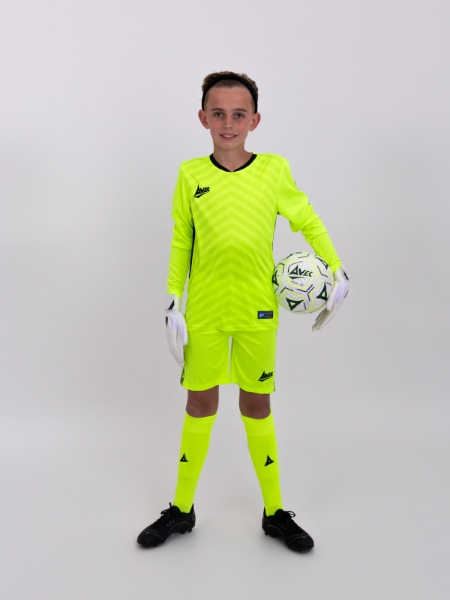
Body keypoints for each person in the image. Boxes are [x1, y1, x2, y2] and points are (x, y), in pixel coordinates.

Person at [137, 71, 349, 552]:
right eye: (218, 113)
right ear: (203, 118)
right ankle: (182, 509)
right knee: (200, 404)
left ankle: (275, 513)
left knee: (256, 405)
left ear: (254, 119)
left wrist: (337, 268)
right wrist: (174, 298)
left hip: (257, 311)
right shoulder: (190, 175)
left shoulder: (274, 170)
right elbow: (182, 239)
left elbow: (307, 220)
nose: (228, 123)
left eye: (238, 114)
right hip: (206, 312)